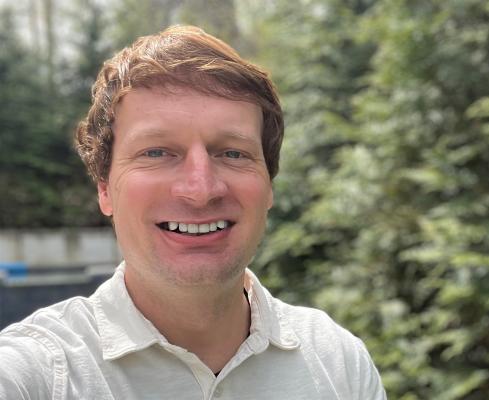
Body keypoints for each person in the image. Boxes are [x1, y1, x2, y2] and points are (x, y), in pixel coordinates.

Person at [0, 25, 386, 399]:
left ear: (269, 185)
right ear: (105, 189)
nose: (201, 190)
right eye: (157, 152)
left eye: (233, 153)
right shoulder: (38, 375)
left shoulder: (339, 364)